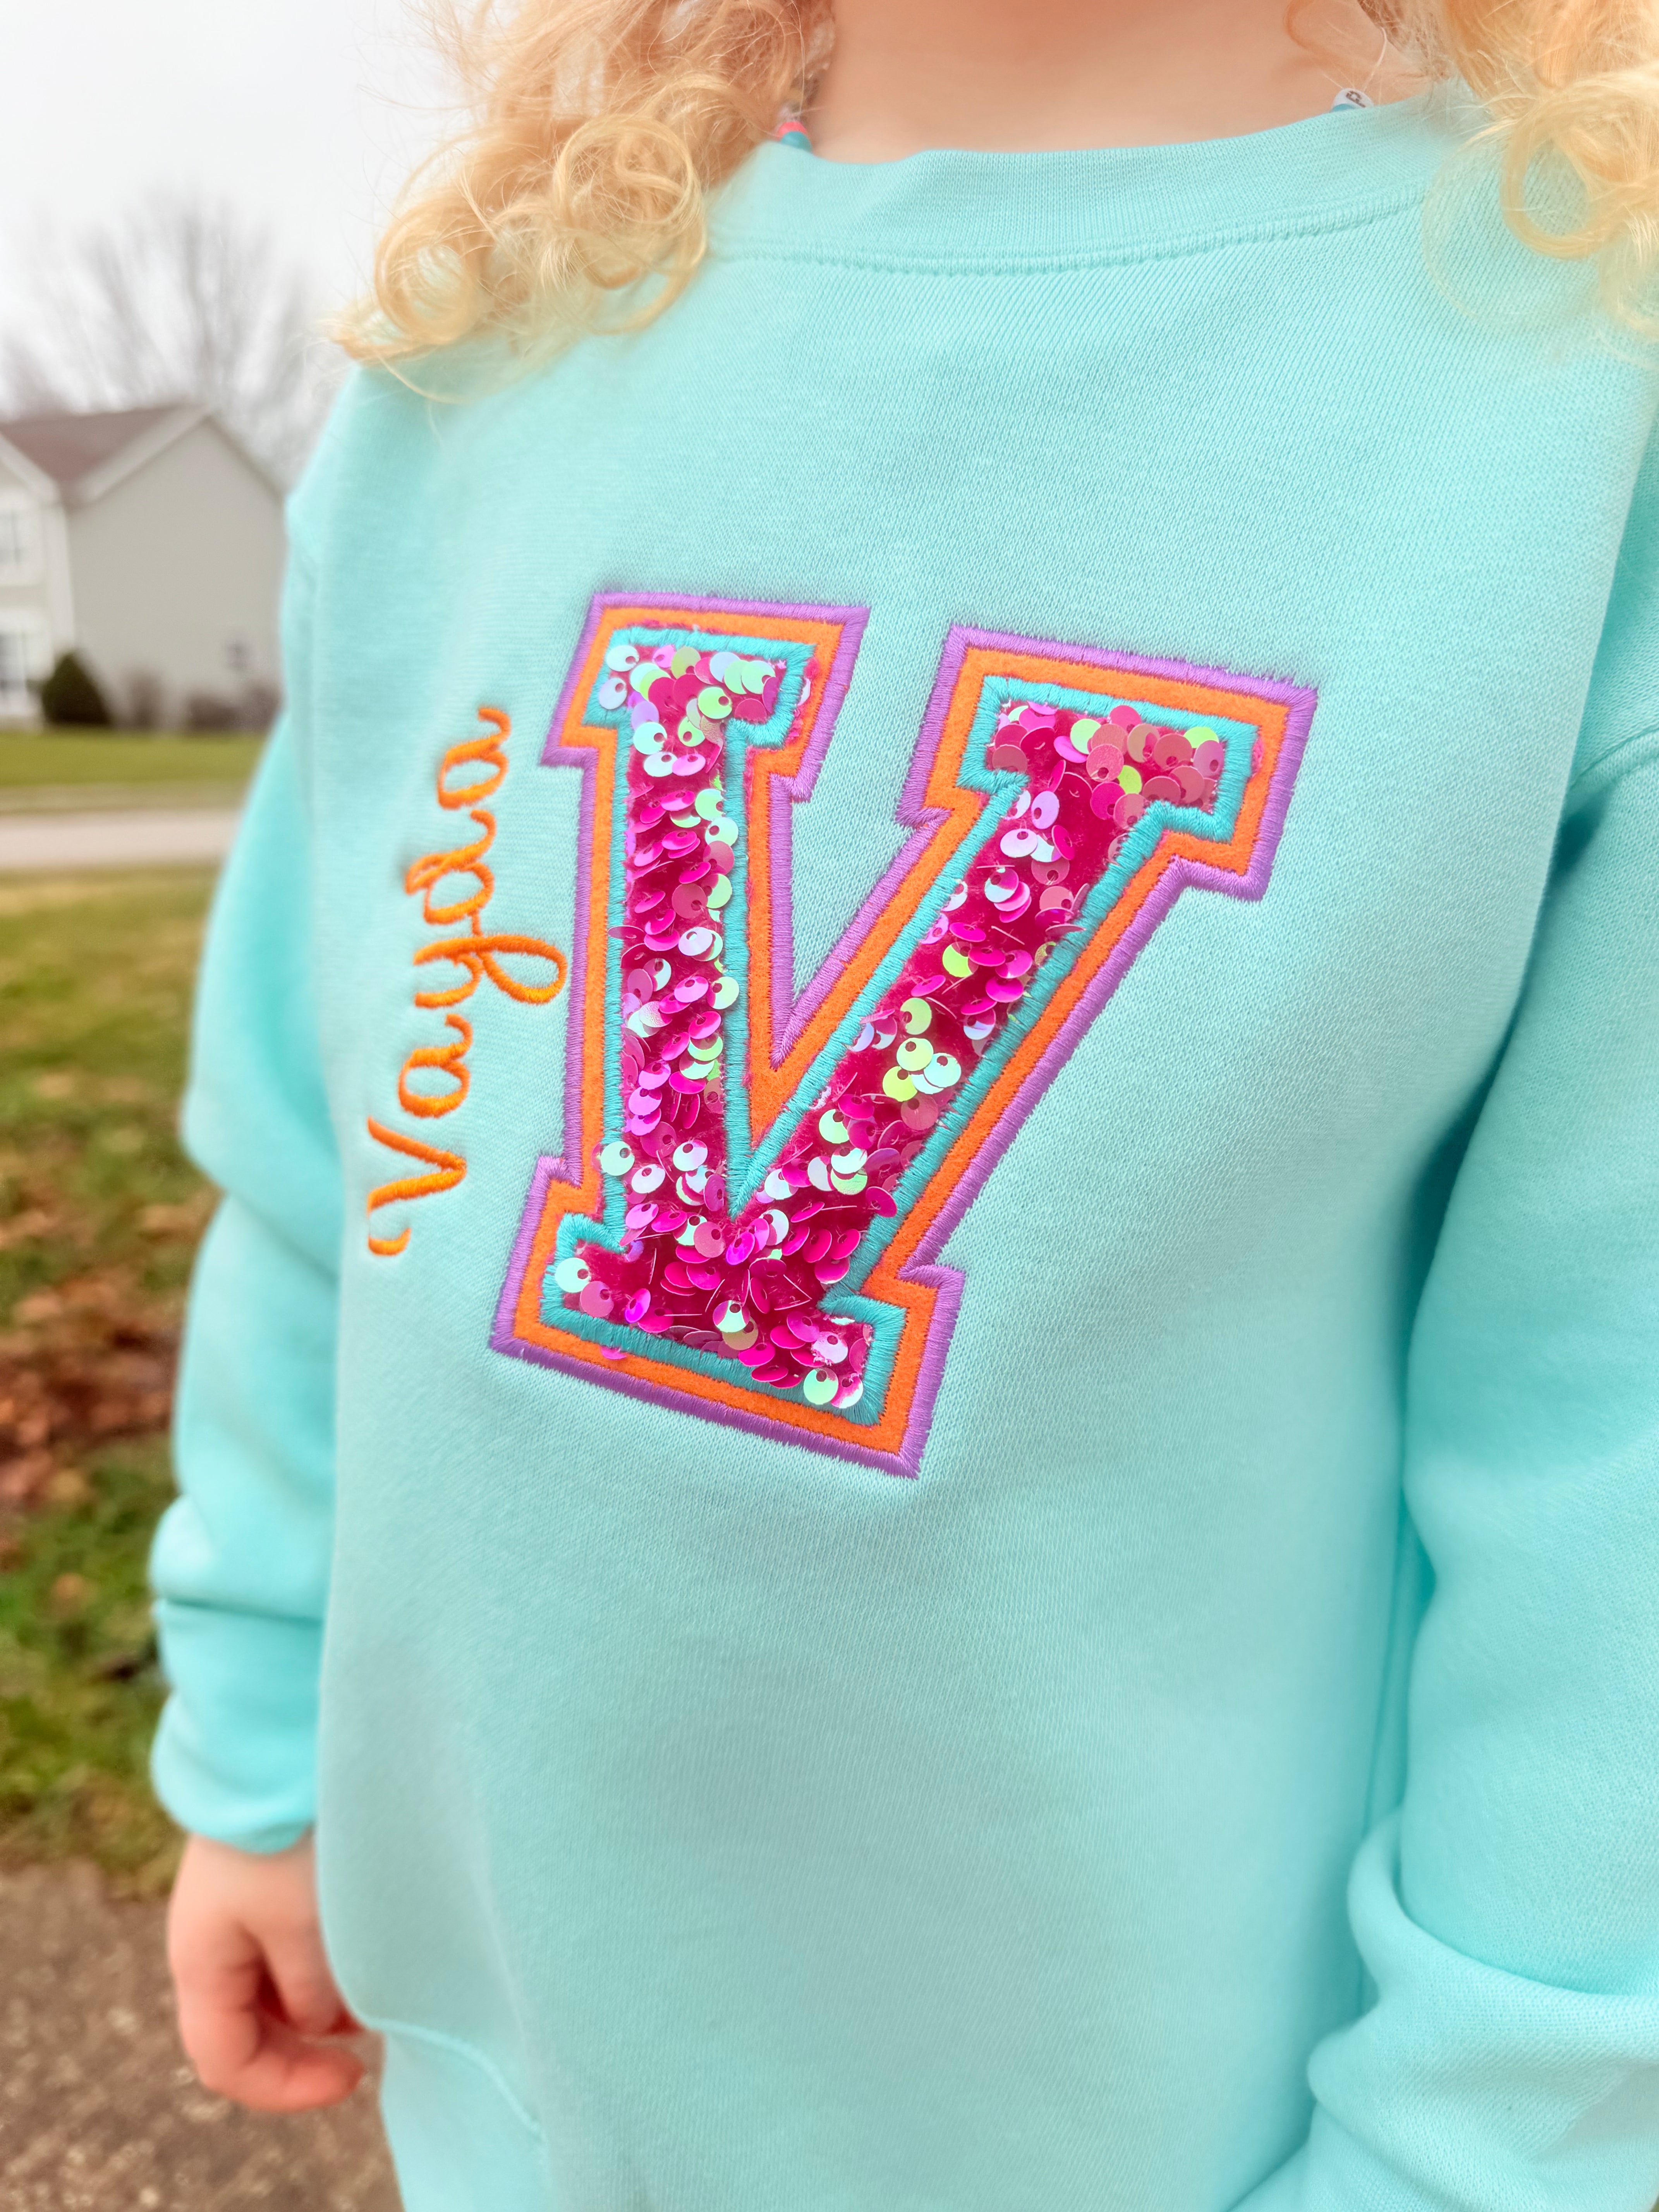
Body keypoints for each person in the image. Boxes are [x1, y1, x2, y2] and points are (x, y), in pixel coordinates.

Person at [152, 1, 1659, 2205]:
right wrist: (260, 1739)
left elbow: (1608, 1468)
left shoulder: (1581, 392)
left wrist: (1476, 2146)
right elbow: (331, 1158)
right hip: (517, 2097)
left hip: (1157, 2138)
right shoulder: (493, 352)